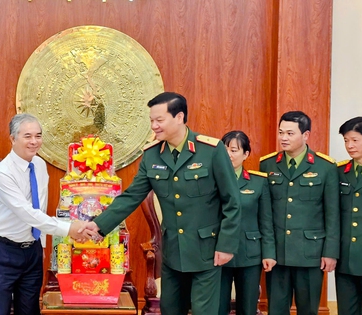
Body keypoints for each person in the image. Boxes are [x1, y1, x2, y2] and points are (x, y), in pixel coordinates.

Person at [83, 92, 241, 315]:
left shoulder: (211, 151)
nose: (154, 126)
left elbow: (232, 202)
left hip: (207, 252)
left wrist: (226, 246)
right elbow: (132, 196)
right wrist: (99, 224)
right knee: (170, 309)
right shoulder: (152, 155)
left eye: (159, 120)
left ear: (179, 117)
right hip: (172, 252)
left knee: (204, 311)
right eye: (151, 121)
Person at [0, 113, 92, 315]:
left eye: (38, 136)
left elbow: (39, 207)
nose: (34, 142)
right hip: (1, 252)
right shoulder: (2, 173)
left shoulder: (40, 165)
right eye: (27, 136)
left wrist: (39, 244)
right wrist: (68, 229)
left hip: (31, 252)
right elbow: (26, 213)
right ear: (13, 139)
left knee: (29, 309)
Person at [259, 111, 339, 315]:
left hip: (310, 253)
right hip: (277, 254)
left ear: (306, 135)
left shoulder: (326, 167)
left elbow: (332, 214)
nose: (283, 138)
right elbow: (265, 214)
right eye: (281, 132)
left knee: (308, 309)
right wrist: (267, 250)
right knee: (276, 309)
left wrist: (330, 252)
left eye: (290, 133)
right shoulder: (267, 164)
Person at [218, 130, 275, 315]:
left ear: (246, 154)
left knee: (248, 308)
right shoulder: (210, 180)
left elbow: (266, 222)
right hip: (217, 254)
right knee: (217, 308)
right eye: (224, 149)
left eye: (234, 150)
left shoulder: (258, 182)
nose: (228, 154)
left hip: (249, 254)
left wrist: (268, 253)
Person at [336, 116, 362, 315]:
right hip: (346, 259)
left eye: (355, 140)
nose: (349, 145)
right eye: (346, 140)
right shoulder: (340, 172)